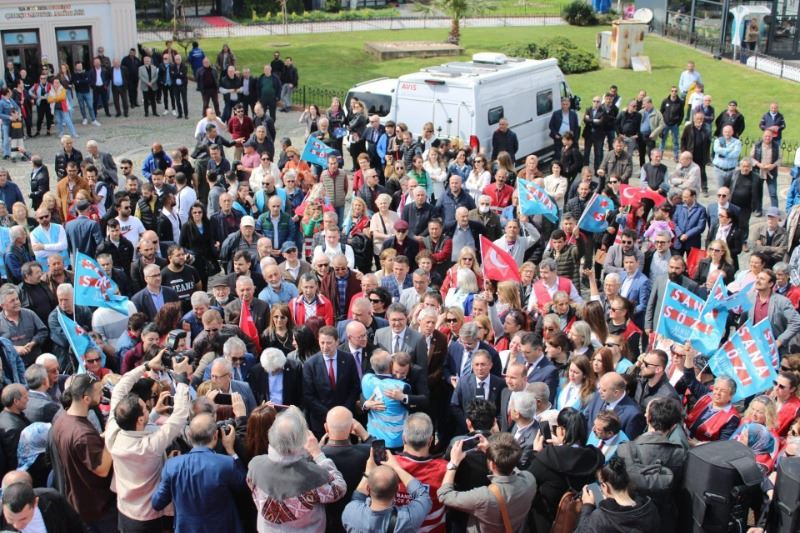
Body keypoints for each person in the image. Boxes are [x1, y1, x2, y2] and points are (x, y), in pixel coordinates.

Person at [105, 351, 192, 532]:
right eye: (146, 409)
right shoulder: (149, 447)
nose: (148, 408)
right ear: (139, 420)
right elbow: (179, 416)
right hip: (148, 518)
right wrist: (181, 379)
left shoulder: (113, 430)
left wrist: (146, 366)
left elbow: (119, 389)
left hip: (124, 511)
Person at [247, 406, 347, 531]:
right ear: (302, 441)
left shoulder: (255, 465)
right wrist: (318, 454)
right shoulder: (314, 475)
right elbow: (340, 488)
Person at [151, 413, 246, 533]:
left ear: (189, 435)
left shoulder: (172, 466)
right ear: (215, 435)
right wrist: (231, 451)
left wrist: (169, 470)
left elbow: (157, 502)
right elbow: (245, 485)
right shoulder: (227, 463)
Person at [50, 374, 116, 530]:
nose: (102, 395)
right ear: (86, 399)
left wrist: (101, 437)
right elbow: (102, 469)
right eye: (99, 392)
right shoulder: (82, 434)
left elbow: (82, 449)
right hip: (96, 507)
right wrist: (110, 435)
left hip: (79, 500)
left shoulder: (62, 419)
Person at [528, 407, 605, 532]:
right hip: (579, 522)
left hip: (544, 523)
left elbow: (526, 483)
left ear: (562, 431)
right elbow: (597, 493)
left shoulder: (546, 457)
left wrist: (536, 453)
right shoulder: (595, 457)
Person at [342, 447, 431, 533]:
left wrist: (368, 473)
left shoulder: (350, 513)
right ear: (397, 489)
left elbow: (357, 498)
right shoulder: (407, 519)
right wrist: (397, 468)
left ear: (368, 488)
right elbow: (423, 496)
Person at [303, 326, 361, 436]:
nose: (325, 347)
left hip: (346, 419)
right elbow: (308, 395)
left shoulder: (348, 359)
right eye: (322, 343)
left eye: (329, 343)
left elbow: (355, 387)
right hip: (321, 421)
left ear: (337, 342)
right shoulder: (310, 364)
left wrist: (344, 411)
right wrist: (330, 414)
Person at [577, 456, 661, 532]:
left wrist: (588, 505)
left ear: (605, 487)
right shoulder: (650, 507)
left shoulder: (600, 518)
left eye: (601, 485)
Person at [1, 478, 86, 533]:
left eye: (23, 519)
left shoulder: (51, 500)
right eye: (10, 519)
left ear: (36, 502)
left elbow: (76, 526)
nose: (17, 526)